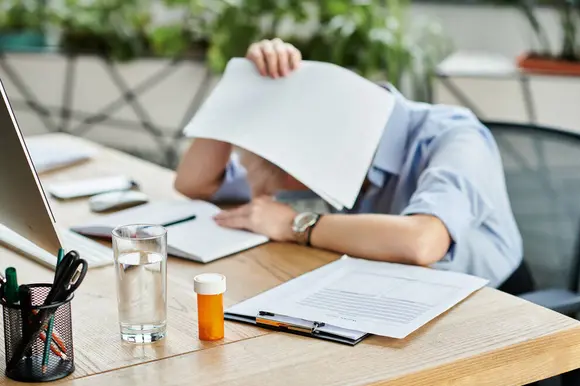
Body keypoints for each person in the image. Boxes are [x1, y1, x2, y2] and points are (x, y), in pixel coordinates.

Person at [175, 38, 526, 291]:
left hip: (497, 307)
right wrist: (243, 84)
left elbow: (422, 242)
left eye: (286, 181)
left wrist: (296, 224)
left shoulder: (456, 138)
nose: (288, 191)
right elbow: (195, 184)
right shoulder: (341, 134)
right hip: (394, 291)